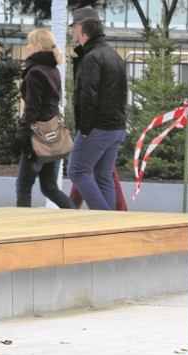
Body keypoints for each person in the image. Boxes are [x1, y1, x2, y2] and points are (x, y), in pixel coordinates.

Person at [67, 7, 128, 210]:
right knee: (103, 176)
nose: (71, 31)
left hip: (97, 128)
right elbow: (122, 93)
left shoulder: (92, 57)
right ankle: (109, 227)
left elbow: (88, 97)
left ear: (84, 31)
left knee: (76, 171)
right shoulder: (113, 55)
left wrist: (84, 129)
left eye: (74, 26)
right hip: (115, 127)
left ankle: (100, 219)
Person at [14, 29, 76, 209]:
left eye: (30, 43)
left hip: (37, 136)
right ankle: (76, 217)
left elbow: (32, 109)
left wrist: (22, 136)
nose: (27, 47)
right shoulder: (53, 69)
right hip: (54, 132)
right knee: (49, 187)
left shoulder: (35, 72)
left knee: (23, 186)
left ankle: (24, 231)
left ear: (38, 47)